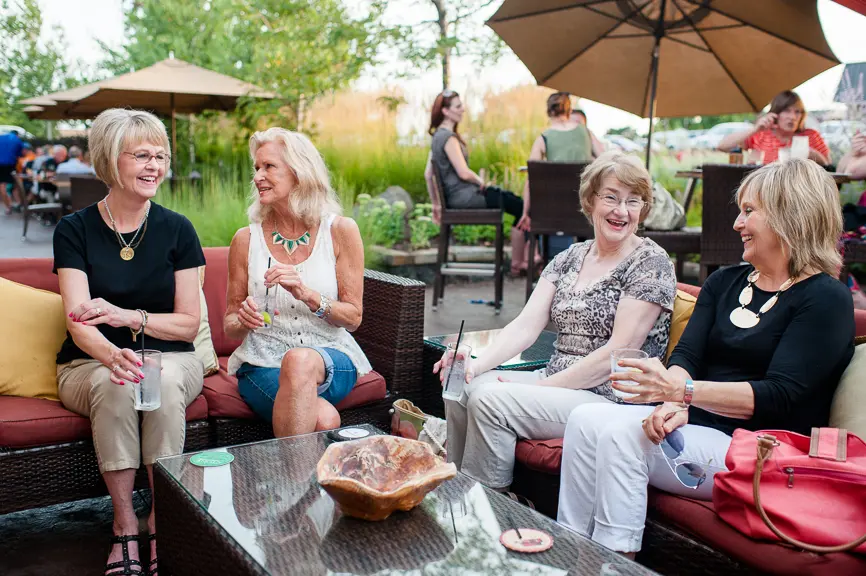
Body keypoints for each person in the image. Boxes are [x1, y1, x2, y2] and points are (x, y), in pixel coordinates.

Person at [556, 158, 853, 557]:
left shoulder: (824, 298)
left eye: (749, 211)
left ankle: (615, 561)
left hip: (761, 449)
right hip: (696, 424)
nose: (736, 223)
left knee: (622, 437)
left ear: (790, 216)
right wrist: (674, 401)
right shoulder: (724, 282)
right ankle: (569, 549)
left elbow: (780, 395)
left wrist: (685, 392)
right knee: (585, 418)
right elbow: (687, 354)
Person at [433, 151, 676, 490]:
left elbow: (619, 352)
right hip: (558, 383)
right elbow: (524, 326)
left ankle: (488, 504)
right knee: (461, 386)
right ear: (590, 201)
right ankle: (456, 491)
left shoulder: (650, 262)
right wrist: (474, 364)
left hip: (610, 397)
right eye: (611, 198)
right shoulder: (569, 258)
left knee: (491, 400)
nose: (622, 211)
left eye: (633, 202)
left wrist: (536, 387)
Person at [54, 108, 205, 575]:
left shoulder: (177, 229)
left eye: (160, 156)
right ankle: (124, 525)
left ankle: (161, 523)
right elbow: (79, 321)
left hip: (175, 358)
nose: (154, 166)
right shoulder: (74, 230)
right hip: (86, 365)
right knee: (122, 381)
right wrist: (112, 353)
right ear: (109, 160)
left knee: (154, 379)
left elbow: (185, 325)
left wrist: (128, 319)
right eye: (141, 155)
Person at [224, 127, 371, 439]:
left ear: (299, 171)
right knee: (323, 419)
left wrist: (307, 294)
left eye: (269, 167)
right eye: (256, 168)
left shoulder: (340, 231)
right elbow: (230, 324)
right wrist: (244, 319)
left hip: (331, 356)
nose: (257, 176)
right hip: (262, 363)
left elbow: (353, 318)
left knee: (300, 360)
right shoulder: (245, 239)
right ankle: (301, 487)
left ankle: (285, 488)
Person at [424, 90, 525, 226]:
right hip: (464, 198)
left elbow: (428, 174)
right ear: (446, 111)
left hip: (456, 197)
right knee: (520, 206)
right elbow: (464, 173)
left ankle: (523, 245)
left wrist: (436, 204)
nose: (463, 110)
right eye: (458, 107)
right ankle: (526, 247)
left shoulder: (436, 137)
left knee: (510, 199)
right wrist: (482, 182)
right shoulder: (449, 138)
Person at [718, 90, 831, 165]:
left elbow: (829, 167)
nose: (792, 117)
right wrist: (755, 129)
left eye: (797, 112)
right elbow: (722, 146)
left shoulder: (810, 136)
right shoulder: (761, 135)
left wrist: (818, 157)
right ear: (775, 113)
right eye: (787, 111)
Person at [0, 129, 24, 213]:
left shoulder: (1, 137)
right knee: (16, 184)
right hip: (10, 164)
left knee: (2, 186)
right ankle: (19, 203)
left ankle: (8, 207)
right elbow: (20, 155)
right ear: (17, 134)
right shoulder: (17, 140)